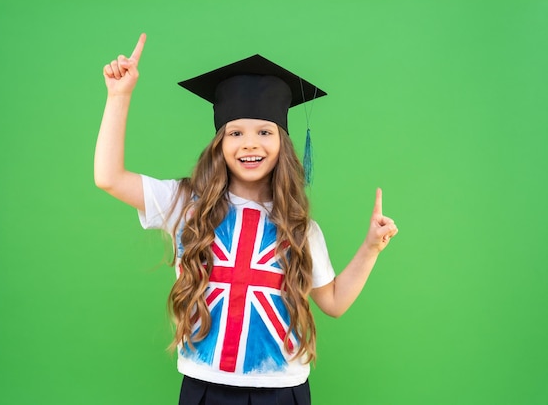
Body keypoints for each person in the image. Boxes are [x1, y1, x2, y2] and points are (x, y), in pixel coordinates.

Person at [94, 33, 398, 405]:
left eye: (264, 132)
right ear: (219, 143)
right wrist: (119, 96)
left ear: (282, 143)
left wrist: (370, 248)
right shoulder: (186, 204)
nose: (250, 143)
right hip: (205, 388)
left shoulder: (299, 227)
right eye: (235, 132)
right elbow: (108, 177)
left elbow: (333, 302)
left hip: (283, 390)